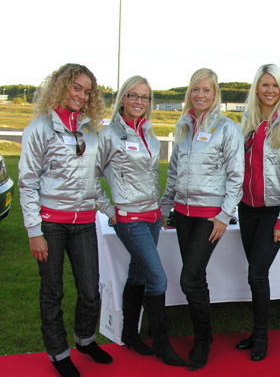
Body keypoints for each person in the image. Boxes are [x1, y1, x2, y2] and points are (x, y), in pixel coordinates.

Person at [18, 64, 113, 377]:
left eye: (87, 91)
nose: (81, 96)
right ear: (61, 87)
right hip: (50, 225)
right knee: (52, 292)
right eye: (76, 88)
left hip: (84, 222)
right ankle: (59, 354)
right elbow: (28, 182)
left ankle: (85, 340)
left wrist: (111, 212)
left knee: (90, 290)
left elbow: (92, 181)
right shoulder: (39, 129)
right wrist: (34, 230)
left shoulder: (89, 131)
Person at [98, 76, 187, 366]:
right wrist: (110, 210)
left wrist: (161, 209)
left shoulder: (148, 132)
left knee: (138, 274)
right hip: (129, 219)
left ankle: (130, 334)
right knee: (157, 278)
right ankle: (161, 342)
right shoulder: (109, 135)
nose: (139, 101)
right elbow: (90, 179)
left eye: (144, 97)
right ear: (122, 98)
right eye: (133, 96)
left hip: (151, 217)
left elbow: (151, 176)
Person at [161, 68, 244, 370]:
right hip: (182, 214)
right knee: (196, 279)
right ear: (189, 93)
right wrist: (164, 206)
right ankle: (205, 336)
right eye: (196, 89)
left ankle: (202, 339)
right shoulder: (183, 125)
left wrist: (225, 215)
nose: (200, 95)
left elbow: (237, 176)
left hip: (209, 218)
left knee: (188, 278)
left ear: (215, 94)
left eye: (206, 90)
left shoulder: (227, 128)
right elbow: (173, 171)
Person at [234, 64, 280, 361]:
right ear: (257, 88)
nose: (270, 90)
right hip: (246, 210)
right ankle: (256, 331)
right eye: (264, 85)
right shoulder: (246, 121)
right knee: (256, 276)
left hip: (273, 212)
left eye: (275, 85)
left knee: (256, 274)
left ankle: (261, 336)